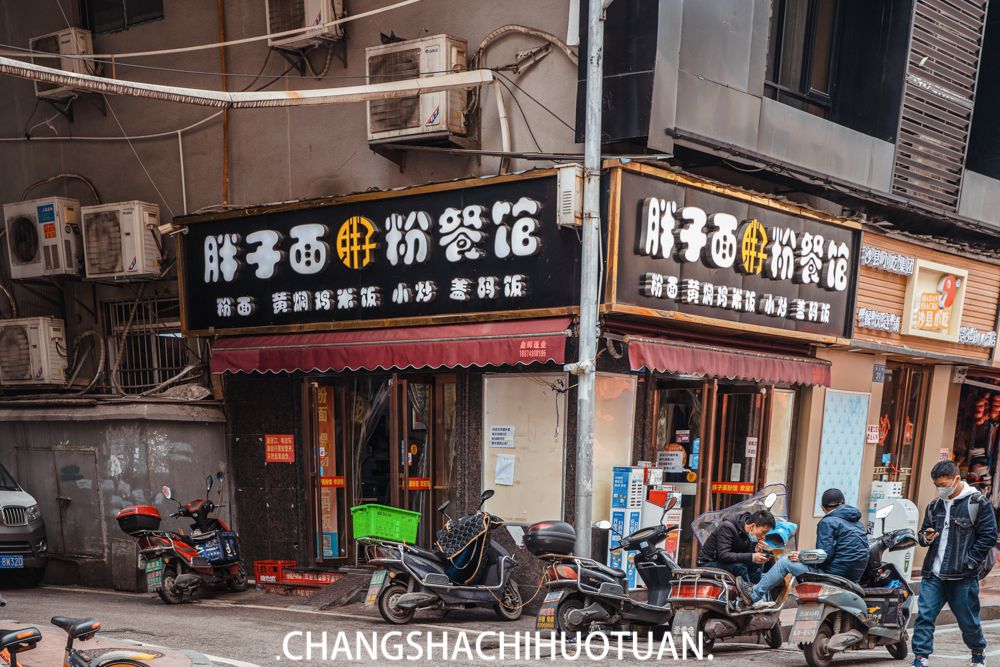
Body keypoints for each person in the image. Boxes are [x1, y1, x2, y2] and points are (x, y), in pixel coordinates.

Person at [911, 461, 998, 667]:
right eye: (937, 485)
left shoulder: (977, 503)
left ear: (957, 479)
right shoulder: (934, 505)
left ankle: (978, 651)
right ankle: (920, 658)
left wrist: (969, 562)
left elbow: (988, 537)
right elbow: (923, 535)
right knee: (924, 616)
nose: (941, 489)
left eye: (944, 484)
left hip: (962, 576)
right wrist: (926, 537)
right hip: (934, 573)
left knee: (968, 621)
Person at [744, 488, 868, 607]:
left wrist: (802, 556)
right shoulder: (858, 524)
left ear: (823, 508)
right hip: (853, 577)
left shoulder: (828, 521)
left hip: (833, 574)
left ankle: (753, 595)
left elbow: (825, 555)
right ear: (843, 504)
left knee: (784, 562)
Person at [697, 509, 775, 584]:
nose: (764, 537)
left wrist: (755, 550)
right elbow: (724, 555)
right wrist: (752, 556)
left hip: (725, 561)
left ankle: (754, 589)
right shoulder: (727, 527)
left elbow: (742, 554)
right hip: (709, 562)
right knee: (739, 567)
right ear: (752, 526)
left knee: (758, 564)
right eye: (763, 532)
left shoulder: (750, 534)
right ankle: (747, 593)